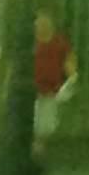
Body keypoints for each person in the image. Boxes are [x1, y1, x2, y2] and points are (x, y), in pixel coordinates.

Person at [31, 12, 75, 144]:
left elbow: (69, 61)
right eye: (40, 24)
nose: (43, 26)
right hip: (32, 89)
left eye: (46, 23)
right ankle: (35, 146)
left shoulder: (60, 42)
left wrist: (71, 78)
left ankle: (39, 145)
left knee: (47, 125)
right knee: (32, 121)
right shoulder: (30, 43)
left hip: (52, 89)